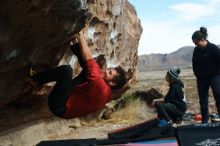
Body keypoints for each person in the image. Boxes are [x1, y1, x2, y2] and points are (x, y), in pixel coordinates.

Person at [29, 31, 127, 119]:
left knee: (66, 71)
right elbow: (93, 67)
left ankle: (35, 80)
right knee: (87, 71)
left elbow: (89, 58)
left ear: (113, 83)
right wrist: (78, 43)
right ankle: (73, 43)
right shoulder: (107, 89)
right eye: (109, 69)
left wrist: (80, 34)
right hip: (70, 95)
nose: (106, 71)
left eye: (110, 73)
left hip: (60, 106)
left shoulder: (101, 89)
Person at [192, 27, 220, 123]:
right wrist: (197, 74)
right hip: (201, 78)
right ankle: (205, 120)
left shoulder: (213, 48)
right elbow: (194, 63)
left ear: (203, 39)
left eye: (196, 42)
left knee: (218, 95)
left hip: (214, 76)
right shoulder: (196, 50)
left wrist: (217, 73)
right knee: (203, 100)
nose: (195, 44)